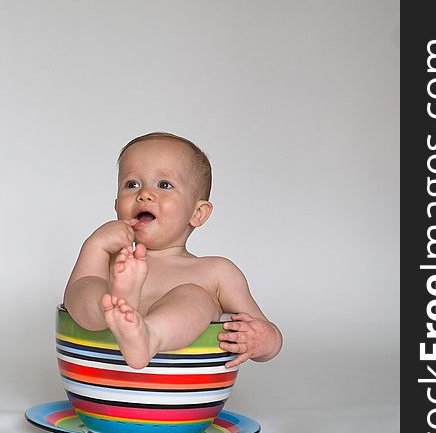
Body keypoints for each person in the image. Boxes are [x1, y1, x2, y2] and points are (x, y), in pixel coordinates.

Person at [64, 132, 283, 370]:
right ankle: (111, 306)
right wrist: (95, 244)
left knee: (194, 295)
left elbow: (267, 331)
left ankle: (150, 336)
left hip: (180, 393)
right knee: (88, 287)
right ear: (117, 205)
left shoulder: (216, 272)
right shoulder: (113, 261)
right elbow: (72, 296)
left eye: (164, 185)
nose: (144, 194)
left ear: (197, 213)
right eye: (132, 184)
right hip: (102, 375)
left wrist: (262, 340)